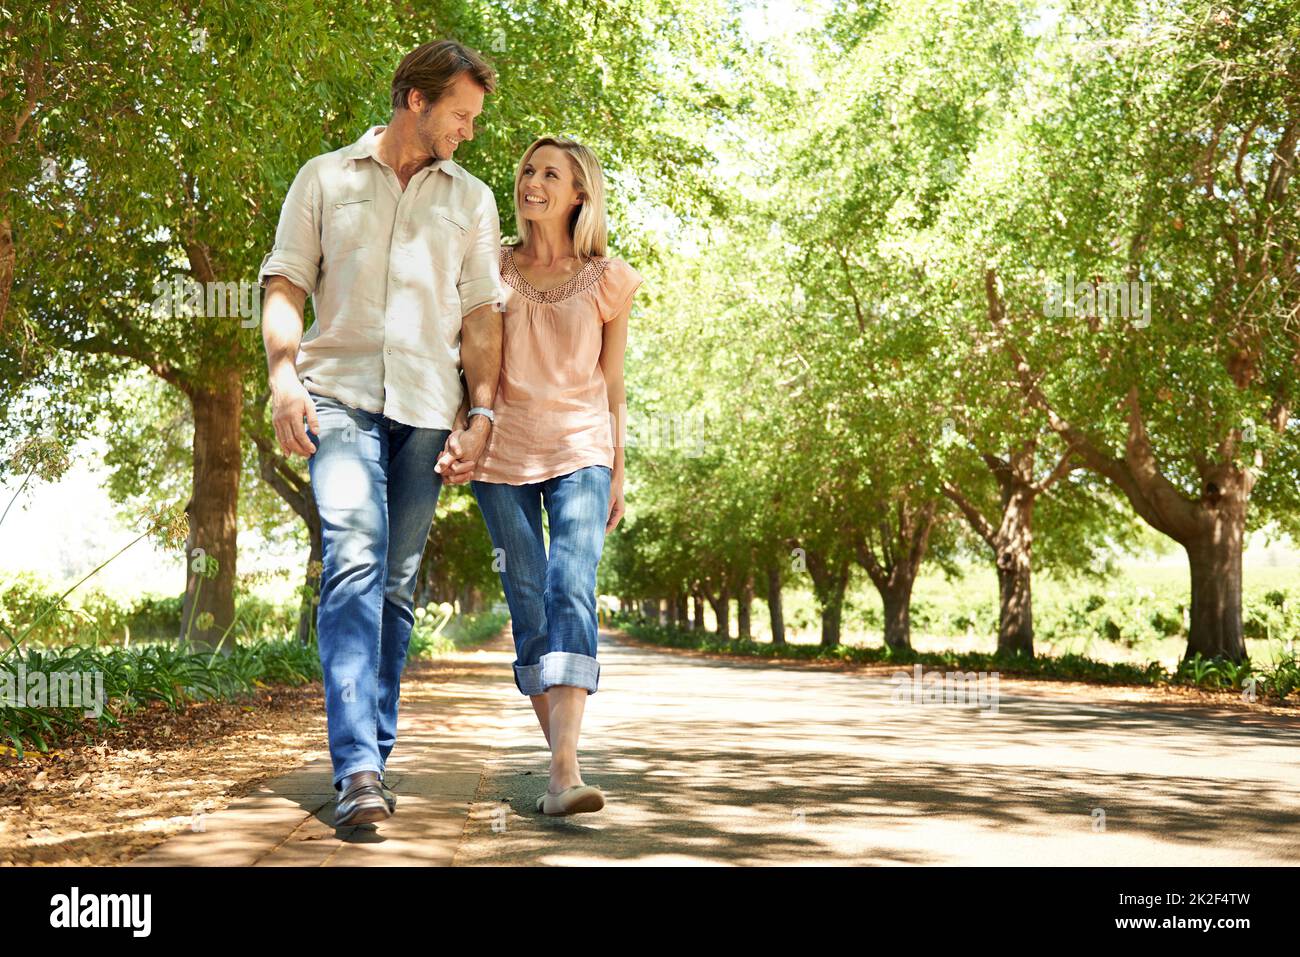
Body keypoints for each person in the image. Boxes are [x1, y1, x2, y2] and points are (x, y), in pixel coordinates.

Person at [258, 40, 505, 828]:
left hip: (429, 406)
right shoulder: (325, 177)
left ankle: (375, 749)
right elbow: (286, 281)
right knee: (355, 558)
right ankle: (356, 766)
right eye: (460, 115)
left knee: (396, 582)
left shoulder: (472, 199)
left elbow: (479, 317)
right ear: (416, 101)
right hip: (339, 395)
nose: (468, 131)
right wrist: (281, 378)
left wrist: (483, 411)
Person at [435, 136, 643, 816]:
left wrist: (617, 466)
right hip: (502, 454)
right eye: (529, 169)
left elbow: (612, 383)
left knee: (568, 581)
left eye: (551, 173)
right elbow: (465, 361)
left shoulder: (608, 278)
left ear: (579, 193)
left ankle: (562, 769)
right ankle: (561, 767)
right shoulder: (488, 268)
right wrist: (462, 428)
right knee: (527, 596)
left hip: (582, 447)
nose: (533, 180)